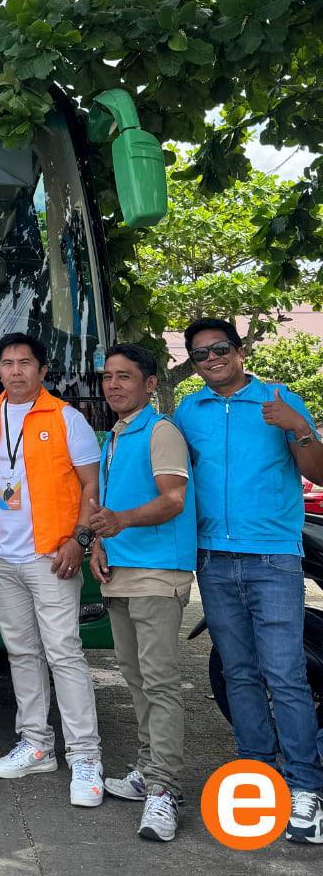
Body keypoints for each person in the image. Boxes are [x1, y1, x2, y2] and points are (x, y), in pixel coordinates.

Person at [174, 317, 323, 844]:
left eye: (219, 349)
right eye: (199, 355)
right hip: (212, 560)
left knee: (285, 675)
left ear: (238, 351)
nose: (210, 359)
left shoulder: (281, 398)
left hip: (273, 559)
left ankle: (307, 788)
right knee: (239, 674)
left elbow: (319, 470)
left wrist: (295, 425)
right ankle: (260, 778)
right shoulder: (189, 410)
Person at [0, 332, 105, 806]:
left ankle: (85, 757)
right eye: (7, 363)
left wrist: (79, 541)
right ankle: (37, 745)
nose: (16, 371)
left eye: (25, 363)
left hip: (52, 556)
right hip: (3, 557)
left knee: (64, 653)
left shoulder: (67, 417)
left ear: (43, 371)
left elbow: (90, 485)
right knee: (21, 653)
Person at [88, 344, 196, 841]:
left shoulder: (161, 430)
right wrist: (98, 545)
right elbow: (110, 510)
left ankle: (164, 790)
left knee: (160, 683)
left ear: (150, 384)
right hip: (122, 572)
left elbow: (172, 499)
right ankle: (146, 769)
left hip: (158, 573)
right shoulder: (114, 435)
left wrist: (119, 522)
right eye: (108, 376)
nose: (113, 385)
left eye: (125, 377)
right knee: (134, 679)